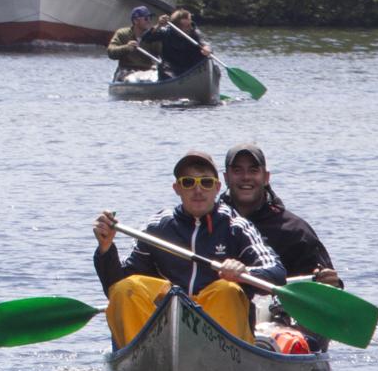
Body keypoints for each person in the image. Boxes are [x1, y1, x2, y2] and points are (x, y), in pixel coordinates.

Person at [92, 149, 285, 347]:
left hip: (219, 330)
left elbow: (277, 272)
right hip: (166, 322)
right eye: (188, 182)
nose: (198, 190)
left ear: (217, 187)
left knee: (227, 290)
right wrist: (106, 249)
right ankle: (141, 352)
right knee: (127, 288)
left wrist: (244, 272)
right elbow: (116, 288)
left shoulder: (236, 226)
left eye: (206, 182)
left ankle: (221, 354)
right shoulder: (157, 227)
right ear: (177, 188)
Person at [223, 141, 345, 351]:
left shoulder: (295, 230)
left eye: (253, 170)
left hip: (277, 318)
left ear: (266, 177)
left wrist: (329, 283)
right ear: (225, 178)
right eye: (237, 171)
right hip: (225, 311)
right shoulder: (210, 225)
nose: (245, 178)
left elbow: (329, 293)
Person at [153, 8, 211, 78]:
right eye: (187, 26)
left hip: (191, 68)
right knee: (166, 72)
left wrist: (206, 48)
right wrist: (158, 25)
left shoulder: (195, 33)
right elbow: (147, 38)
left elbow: (203, 42)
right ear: (176, 28)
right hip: (170, 69)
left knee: (206, 58)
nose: (190, 28)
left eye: (190, 24)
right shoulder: (165, 32)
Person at [104, 5, 160, 77]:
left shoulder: (154, 35)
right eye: (146, 18)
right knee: (127, 77)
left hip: (147, 71)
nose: (149, 21)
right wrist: (126, 48)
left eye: (150, 18)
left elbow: (163, 52)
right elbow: (111, 52)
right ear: (135, 21)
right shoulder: (122, 33)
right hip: (126, 70)